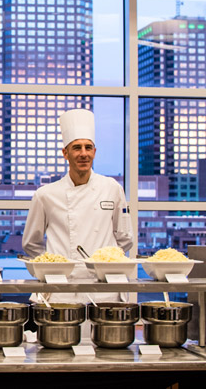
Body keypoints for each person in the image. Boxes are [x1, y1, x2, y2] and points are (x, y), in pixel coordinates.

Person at [22, 108, 134, 303]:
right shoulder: (45, 195)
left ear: (94, 152)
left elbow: (125, 238)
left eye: (88, 147)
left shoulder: (112, 188)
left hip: (104, 288)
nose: (83, 154)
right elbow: (31, 243)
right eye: (77, 148)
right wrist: (55, 267)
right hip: (62, 289)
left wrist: (105, 265)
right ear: (65, 153)